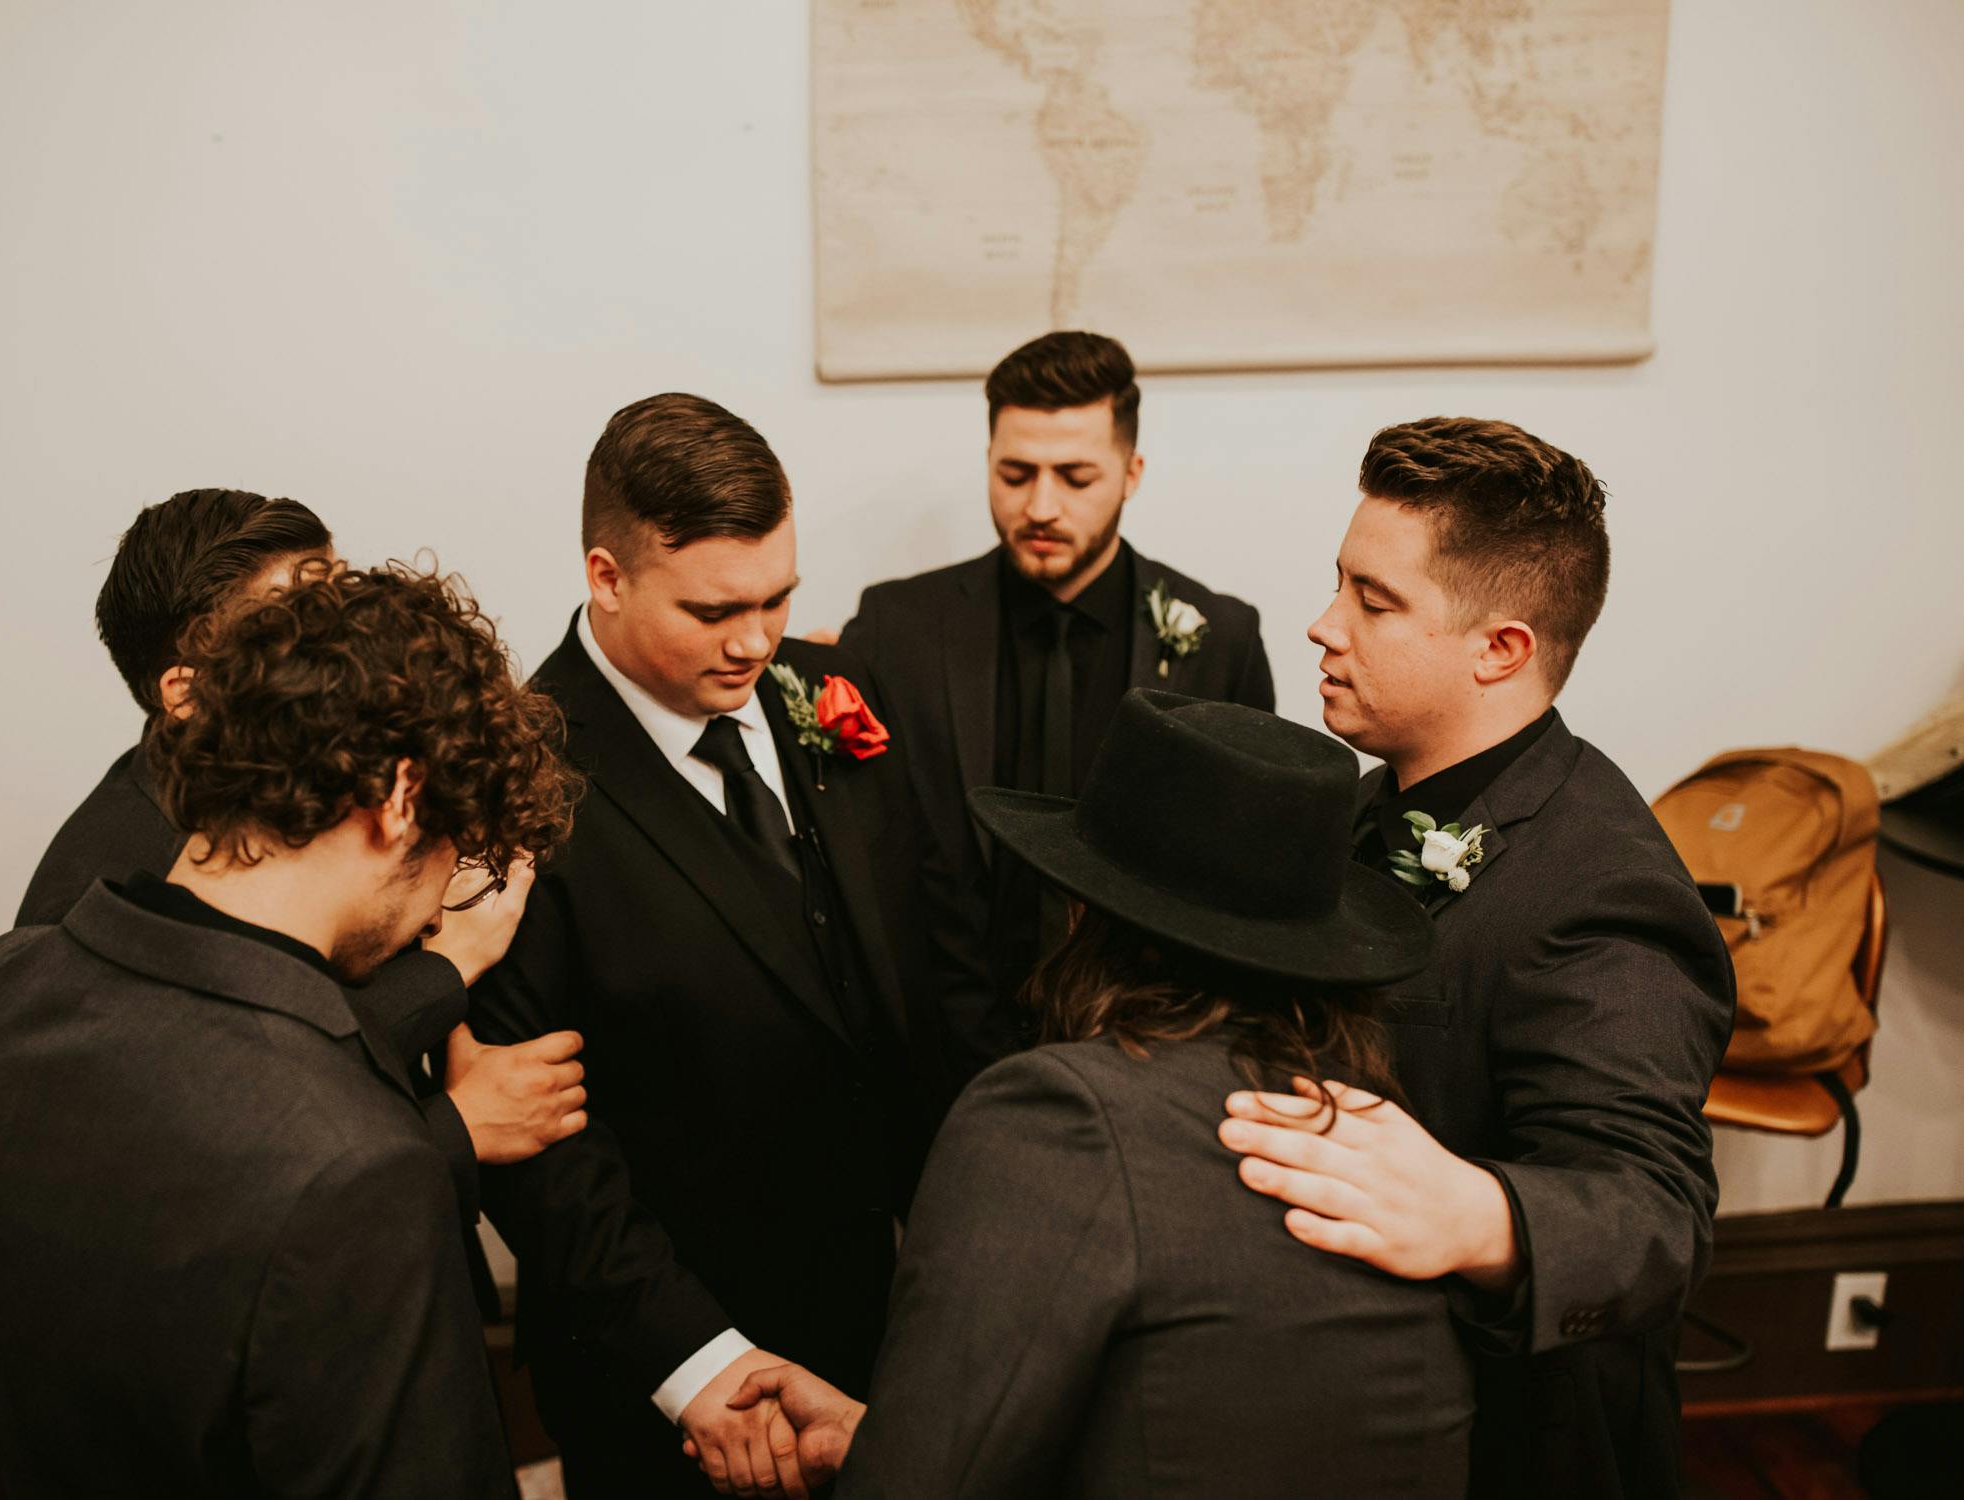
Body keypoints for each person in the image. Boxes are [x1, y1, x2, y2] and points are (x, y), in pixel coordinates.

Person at [694, 693, 1469, 1499]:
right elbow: (1204, 1416)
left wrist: (889, 1450)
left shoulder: (1059, 1116)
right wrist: (871, 1433)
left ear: (1085, 914)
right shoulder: (1372, 1130)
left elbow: (925, 1483)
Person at [0, 561, 582, 1497]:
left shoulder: (3, 982)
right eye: (456, 846)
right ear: (401, 798)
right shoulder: (358, 1173)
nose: (444, 901)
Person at [470, 393, 983, 1499]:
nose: (756, 641)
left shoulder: (835, 691)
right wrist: (702, 1365)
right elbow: (540, 1144)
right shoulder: (510, 779)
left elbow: (935, 968)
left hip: (892, 1321)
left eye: (777, 597)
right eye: (713, 610)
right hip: (670, 1373)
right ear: (607, 576)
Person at [1222, 418, 1735, 1499]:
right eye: (1338, 584)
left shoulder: (1607, 891)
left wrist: (1475, 1214)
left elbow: (1654, 1215)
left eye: (1374, 602)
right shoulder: (1364, 806)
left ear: (1500, 649)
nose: (1323, 626)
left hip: (1507, 1439)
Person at [13, 489, 581, 1313]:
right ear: (185, 693)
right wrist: (450, 1103)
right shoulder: (87, 895)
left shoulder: (330, 800)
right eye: (296, 617)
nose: (339, 635)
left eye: (336, 596)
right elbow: (188, 1174)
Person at [835, 331, 1275, 1060]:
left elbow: (1243, 881)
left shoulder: (1222, 638)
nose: (1041, 506)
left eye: (1075, 477)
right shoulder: (894, 627)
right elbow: (867, 849)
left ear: (1131, 473)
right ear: (988, 461)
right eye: (1015, 474)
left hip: (1148, 1051)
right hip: (930, 1052)